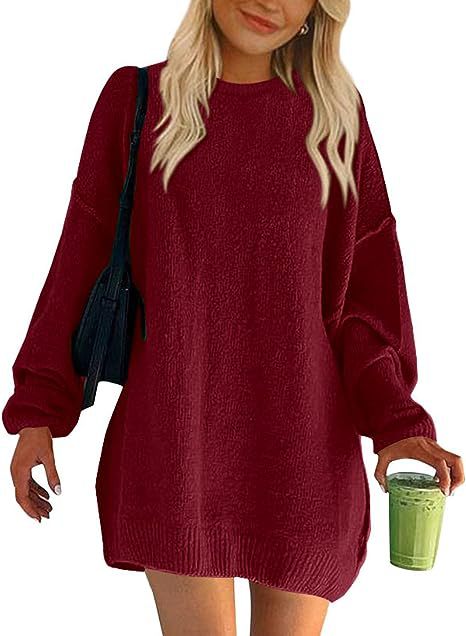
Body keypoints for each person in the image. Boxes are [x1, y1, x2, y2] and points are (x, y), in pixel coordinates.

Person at [3, 1, 464, 634]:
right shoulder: (139, 102)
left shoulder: (336, 120)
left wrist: (397, 424)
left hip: (304, 456)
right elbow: (80, 261)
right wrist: (39, 411)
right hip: (175, 443)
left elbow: (364, 300)